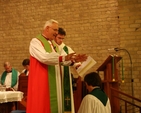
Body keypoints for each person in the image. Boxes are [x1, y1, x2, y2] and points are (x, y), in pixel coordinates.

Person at [27, 19, 87, 113]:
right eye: (55, 30)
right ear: (47, 28)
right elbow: (45, 57)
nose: (56, 33)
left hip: (56, 82)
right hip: (43, 82)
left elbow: (62, 60)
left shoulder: (53, 45)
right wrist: (63, 58)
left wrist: (73, 60)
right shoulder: (36, 42)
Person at [54, 27, 81, 113]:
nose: (61, 40)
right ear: (55, 36)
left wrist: (78, 65)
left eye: (62, 38)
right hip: (53, 76)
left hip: (64, 78)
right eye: (59, 38)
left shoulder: (66, 48)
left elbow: (75, 59)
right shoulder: (51, 47)